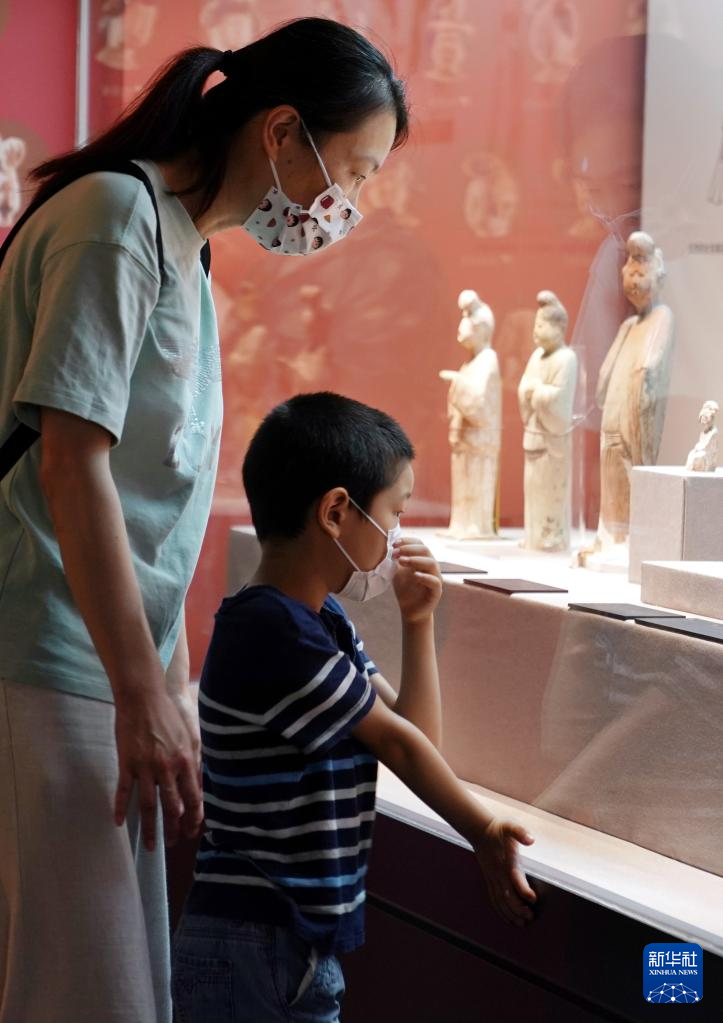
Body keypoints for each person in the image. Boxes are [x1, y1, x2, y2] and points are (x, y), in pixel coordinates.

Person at [0, 18, 408, 1023]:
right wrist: (143, 689)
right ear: (282, 132)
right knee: (86, 993)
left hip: (107, 666)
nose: (343, 207)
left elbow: (157, 507)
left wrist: (167, 682)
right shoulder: (114, 219)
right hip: (51, 655)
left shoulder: (188, 253)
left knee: (123, 986)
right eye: (351, 172)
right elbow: (71, 462)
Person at [172, 392, 537, 1023]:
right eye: (394, 513)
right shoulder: (272, 629)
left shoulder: (321, 622)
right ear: (337, 512)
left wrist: (418, 621)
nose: (397, 537)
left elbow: (413, 736)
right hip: (256, 937)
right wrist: (480, 830)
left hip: (285, 940)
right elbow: (398, 745)